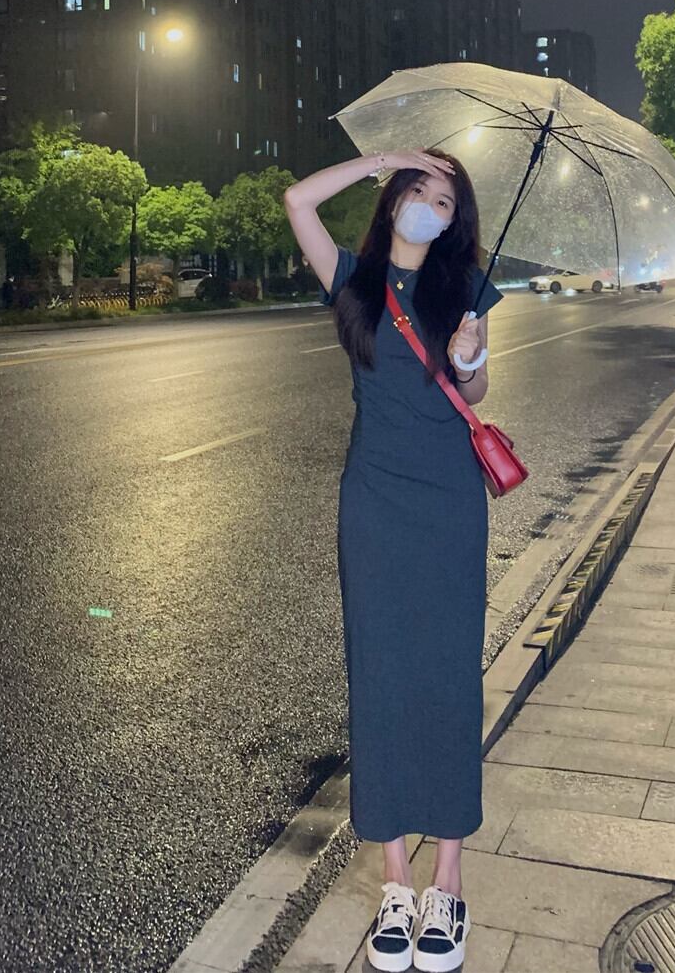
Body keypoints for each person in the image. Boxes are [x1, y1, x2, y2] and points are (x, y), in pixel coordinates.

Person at [283, 147, 503, 973]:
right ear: (394, 197)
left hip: (449, 502)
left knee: (447, 674)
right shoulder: (353, 279)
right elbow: (298, 200)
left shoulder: (465, 287)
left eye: (445, 199)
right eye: (418, 189)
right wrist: (379, 158)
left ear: (454, 220)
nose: (429, 206)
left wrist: (470, 356)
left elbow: (474, 394)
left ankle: (448, 881)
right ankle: (396, 883)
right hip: (374, 503)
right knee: (379, 674)